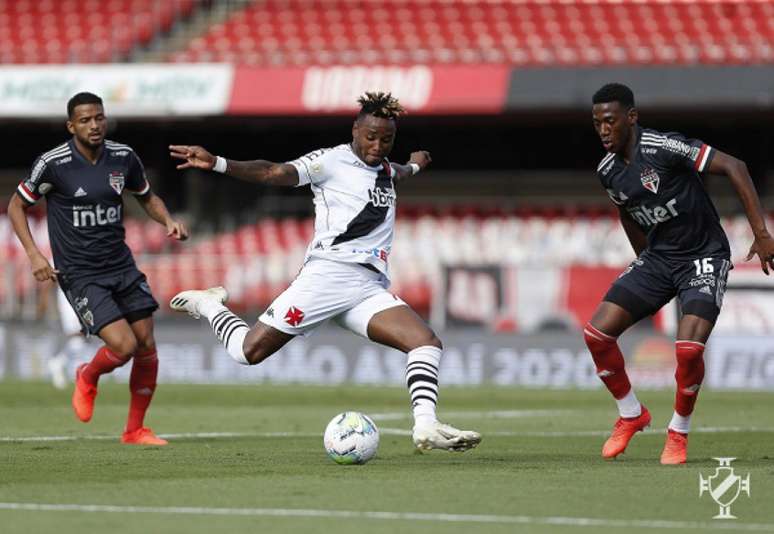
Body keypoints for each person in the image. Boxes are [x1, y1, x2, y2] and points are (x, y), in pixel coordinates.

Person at [168, 92, 481, 452]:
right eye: (371, 137)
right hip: (329, 276)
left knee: (425, 343)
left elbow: (400, 172)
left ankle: (426, 426)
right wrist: (219, 164)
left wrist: (416, 164)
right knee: (246, 353)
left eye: (386, 140)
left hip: (367, 285)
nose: (378, 146)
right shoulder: (331, 161)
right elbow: (275, 172)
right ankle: (210, 305)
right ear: (355, 130)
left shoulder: (385, 170)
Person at [586, 83, 774, 464]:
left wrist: (762, 234)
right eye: (597, 123)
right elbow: (626, 210)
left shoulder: (663, 147)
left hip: (704, 255)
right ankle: (631, 414)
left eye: (610, 121)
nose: (603, 130)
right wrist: (644, 261)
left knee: (688, 350)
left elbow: (734, 166)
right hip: (659, 261)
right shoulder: (607, 171)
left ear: (631, 118)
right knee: (597, 335)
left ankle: (678, 432)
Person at [8, 92, 189, 445]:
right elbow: (17, 206)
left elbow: (146, 196)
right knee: (123, 347)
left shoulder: (123, 157)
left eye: (99, 118)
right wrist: (34, 255)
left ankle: (135, 430)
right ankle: (87, 375)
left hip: (121, 264)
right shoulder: (53, 163)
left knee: (147, 344)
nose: (95, 125)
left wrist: (167, 219)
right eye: (86, 120)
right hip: (80, 273)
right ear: (71, 125)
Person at [48, 285, 91, 390]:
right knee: (78, 331)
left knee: (83, 334)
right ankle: (59, 362)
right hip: (70, 291)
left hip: (83, 290)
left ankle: (60, 362)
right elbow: (50, 281)